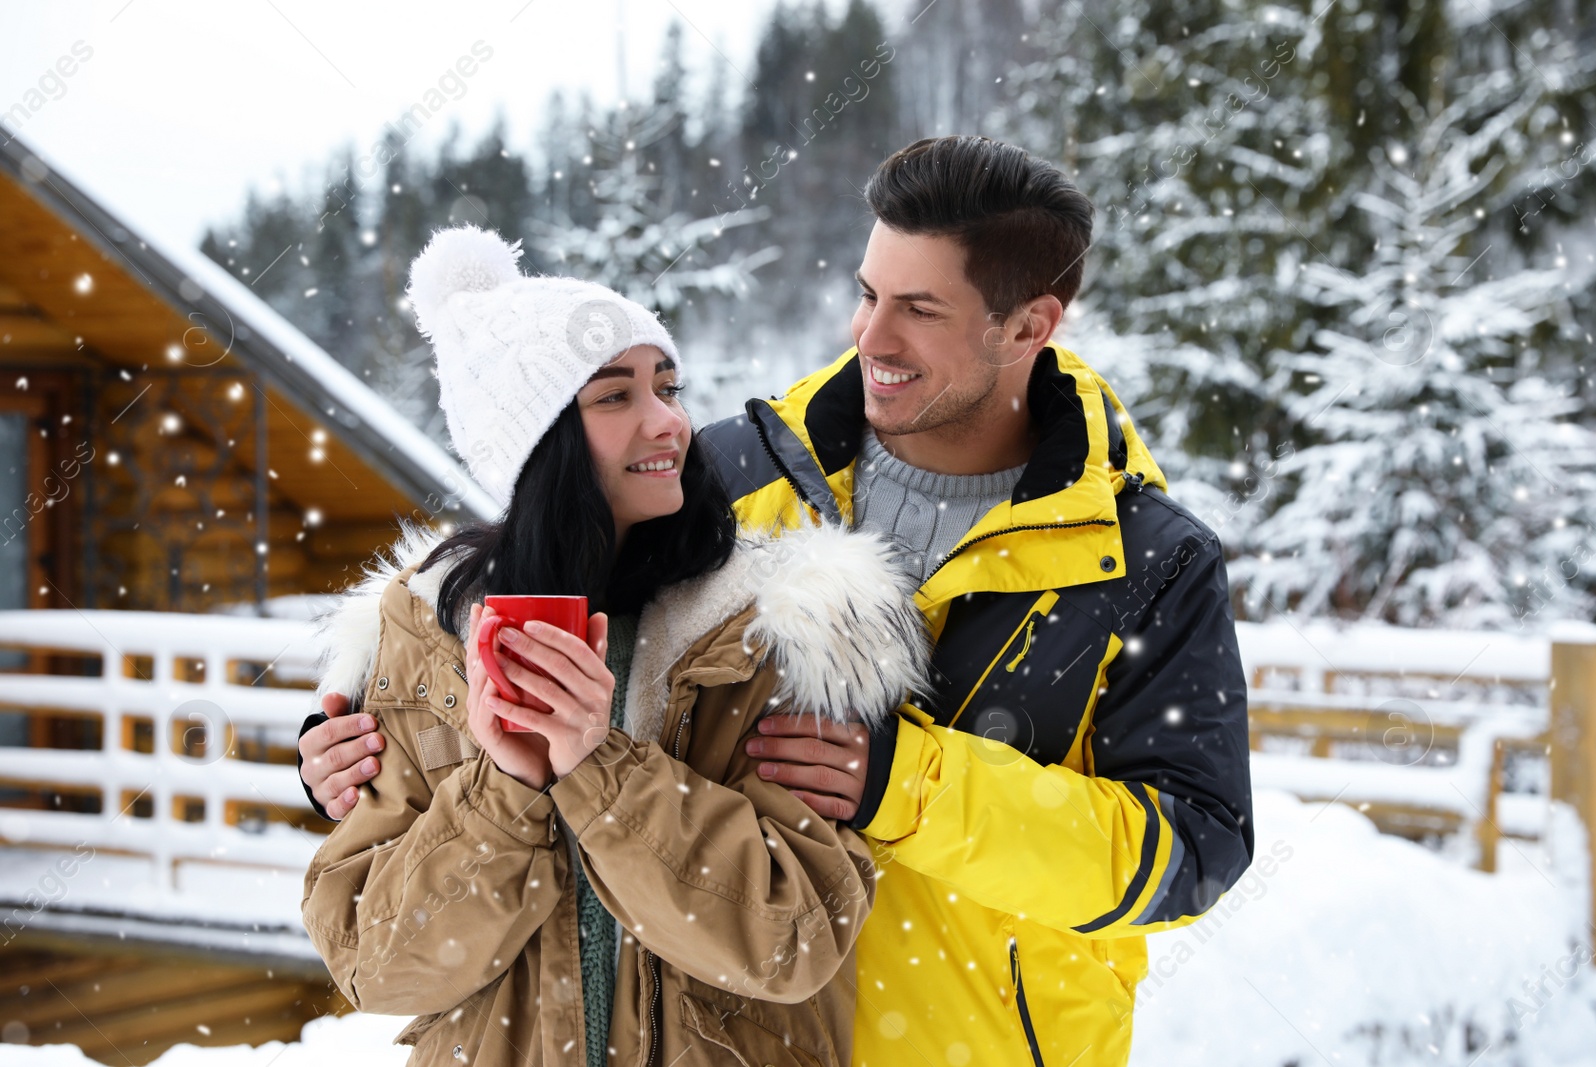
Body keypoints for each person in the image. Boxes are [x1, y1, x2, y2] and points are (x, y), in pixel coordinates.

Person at [302, 136, 1254, 1067]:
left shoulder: (1147, 562)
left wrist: (902, 784)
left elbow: (1195, 848)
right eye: (867, 293)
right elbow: (522, 557)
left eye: (919, 308)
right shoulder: (726, 472)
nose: (870, 337)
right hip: (741, 1028)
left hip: (970, 1040)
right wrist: (352, 731)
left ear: (1028, 325)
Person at [299, 225, 930, 1067]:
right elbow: (381, 966)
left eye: (667, 386)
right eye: (615, 396)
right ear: (537, 444)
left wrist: (603, 769)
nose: (668, 419)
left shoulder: (774, 629)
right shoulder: (428, 635)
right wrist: (509, 788)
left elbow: (793, 939)